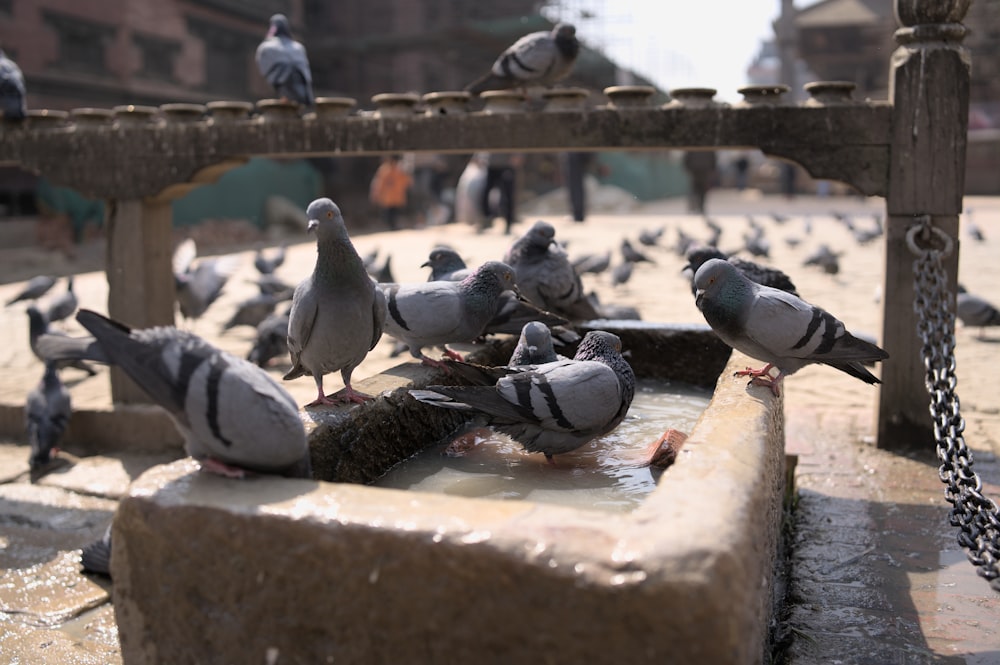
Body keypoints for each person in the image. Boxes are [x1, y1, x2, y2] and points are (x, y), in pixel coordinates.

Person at [479, 152, 522, 234]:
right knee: (485, 193)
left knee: (507, 195)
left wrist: (518, 155)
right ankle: (487, 218)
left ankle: (508, 222)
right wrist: (481, 156)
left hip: (507, 164)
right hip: (492, 163)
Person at [369, 155, 412, 231]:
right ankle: (390, 226)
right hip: (388, 198)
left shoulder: (399, 170)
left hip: (395, 197)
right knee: (389, 214)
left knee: (394, 213)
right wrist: (376, 194)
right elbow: (379, 183)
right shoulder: (385, 170)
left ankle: (393, 226)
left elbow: (407, 182)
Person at [561, 151, 590, 223]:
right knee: (576, 182)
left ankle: (578, 213)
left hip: (575, 152)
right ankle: (578, 213)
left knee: (575, 182)